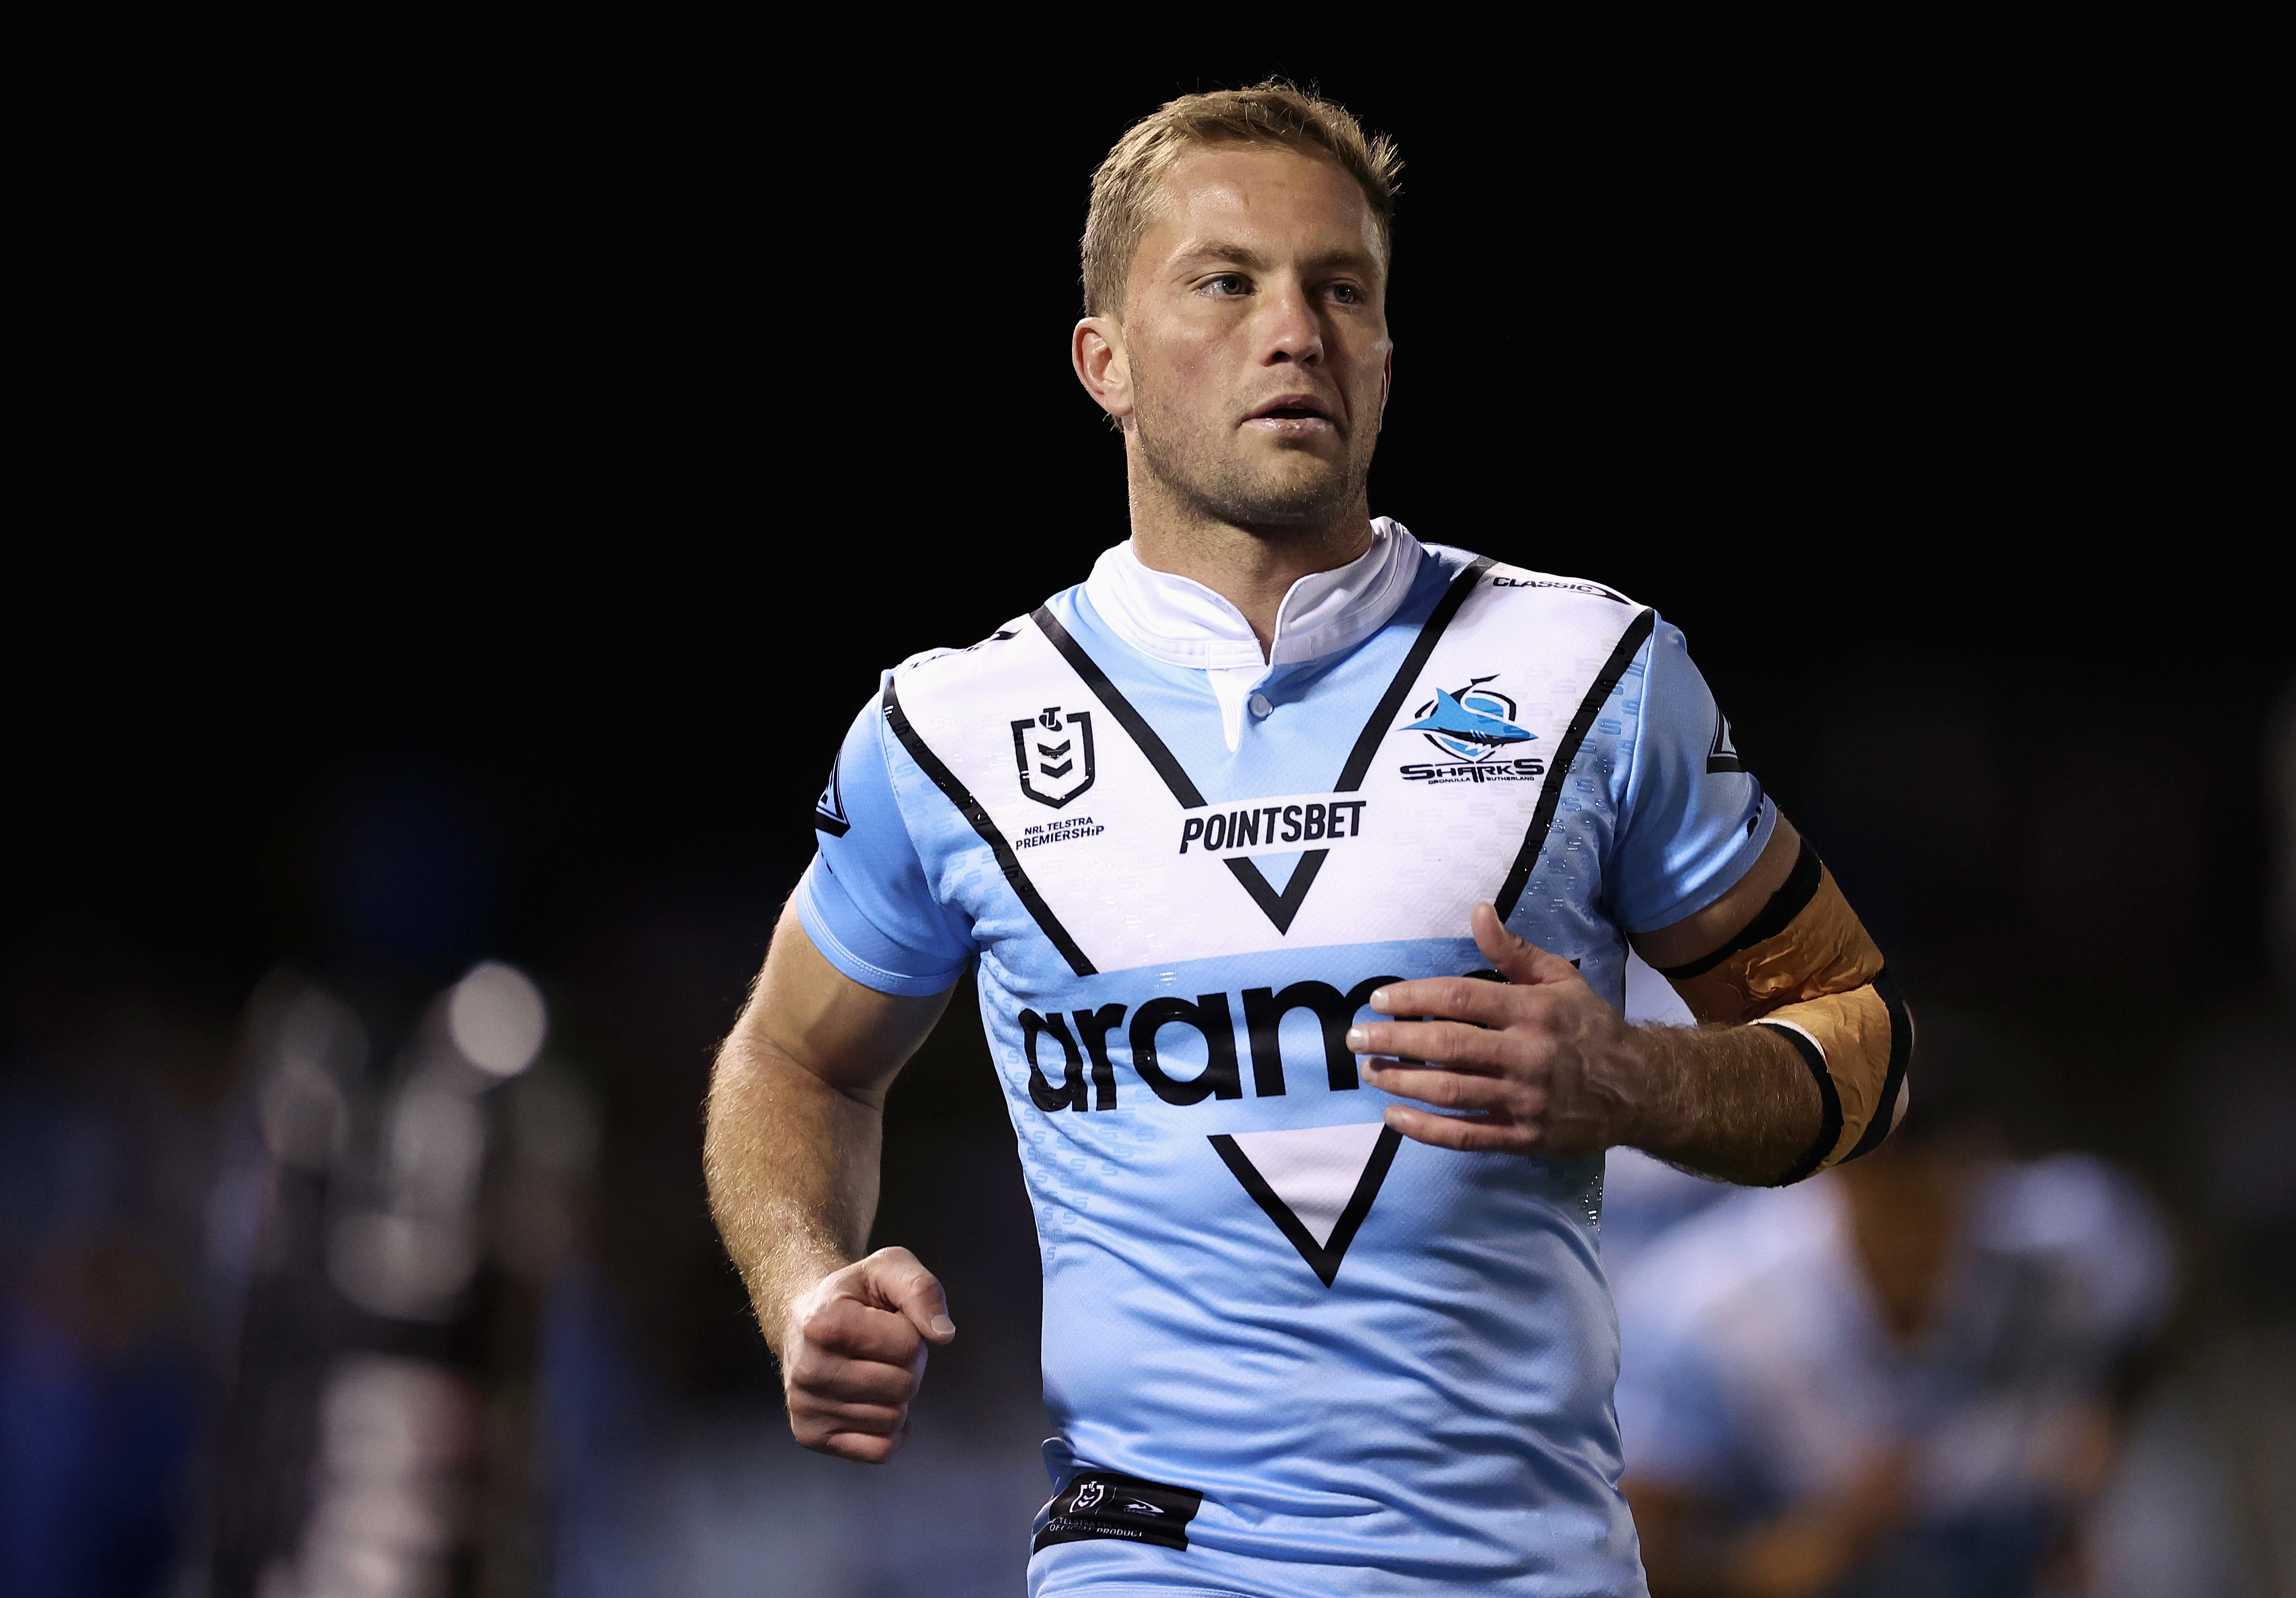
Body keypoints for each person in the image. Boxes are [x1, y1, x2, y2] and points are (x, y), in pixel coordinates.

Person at [703, 82, 1912, 1597]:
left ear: (1389, 348)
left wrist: (1633, 1075)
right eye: (1226, 281)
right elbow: (794, 1058)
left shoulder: (1588, 672)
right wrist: (804, 1276)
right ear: (1105, 361)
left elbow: (1864, 1038)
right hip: (1145, 1558)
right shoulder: (950, 731)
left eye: (1341, 288)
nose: (1297, 330)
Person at [1611, 1083, 2173, 1598]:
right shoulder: (1704, 1309)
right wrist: (1781, 1562)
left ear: (1977, 1175)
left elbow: (2153, 1313)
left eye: (1936, 1208)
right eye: (1891, 1209)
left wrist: (2106, 1414)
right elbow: (1638, 1553)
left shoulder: (2064, 1245)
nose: (1915, 1241)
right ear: (1831, 1177)